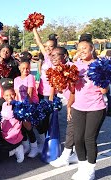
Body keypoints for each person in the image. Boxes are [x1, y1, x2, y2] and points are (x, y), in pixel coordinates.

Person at [70, 41, 108, 180]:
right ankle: (82, 167)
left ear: (92, 48)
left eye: (84, 47)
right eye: (79, 48)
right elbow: (72, 88)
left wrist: (102, 77)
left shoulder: (99, 65)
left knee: (89, 139)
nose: (82, 50)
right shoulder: (75, 66)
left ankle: (90, 171)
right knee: (78, 139)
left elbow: (104, 90)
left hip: (96, 107)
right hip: (78, 107)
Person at [48, 47, 78, 167]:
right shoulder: (57, 68)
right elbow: (56, 86)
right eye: (51, 55)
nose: (52, 57)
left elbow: (74, 91)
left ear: (65, 56)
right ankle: (77, 153)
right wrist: (51, 97)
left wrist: (69, 106)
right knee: (75, 128)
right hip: (72, 100)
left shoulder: (70, 68)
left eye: (56, 55)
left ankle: (65, 157)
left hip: (79, 101)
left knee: (71, 127)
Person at [33, 27, 57, 150]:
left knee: (47, 119)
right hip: (41, 93)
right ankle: (43, 141)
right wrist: (34, 29)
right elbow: (39, 43)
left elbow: (54, 80)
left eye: (50, 47)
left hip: (49, 94)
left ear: (55, 48)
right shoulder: (47, 57)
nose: (47, 48)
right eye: (46, 47)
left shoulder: (55, 61)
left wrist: (52, 95)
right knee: (41, 118)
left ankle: (48, 143)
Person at [0, 87, 25, 163]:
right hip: (4, 135)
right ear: (3, 96)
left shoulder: (18, 107)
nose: (9, 97)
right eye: (7, 95)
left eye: (12, 94)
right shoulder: (4, 104)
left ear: (15, 95)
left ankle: (16, 149)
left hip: (13, 139)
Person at [14, 60, 39, 158]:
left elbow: (29, 92)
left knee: (28, 127)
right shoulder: (16, 79)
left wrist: (25, 107)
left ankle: (34, 147)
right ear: (19, 69)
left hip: (29, 105)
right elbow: (16, 94)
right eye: (23, 68)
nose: (26, 70)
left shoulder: (30, 77)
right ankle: (26, 146)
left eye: (28, 68)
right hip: (20, 106)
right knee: (21, 127)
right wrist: (16, 106)